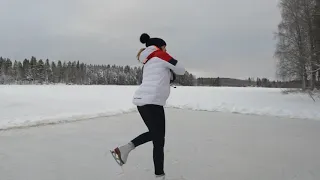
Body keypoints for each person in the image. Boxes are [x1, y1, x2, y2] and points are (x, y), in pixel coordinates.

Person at [111, 33, 186, 179]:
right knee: (158, 137)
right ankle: (125, 150)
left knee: (157, 137)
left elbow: (167, 76)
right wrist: (168, 59)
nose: (166, 49)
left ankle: (127, 152)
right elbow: (181, 69)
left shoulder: (149, 61)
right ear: (160, 46)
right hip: (152, 102)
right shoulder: (160, 55)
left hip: (143, 101)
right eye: (165, 47)